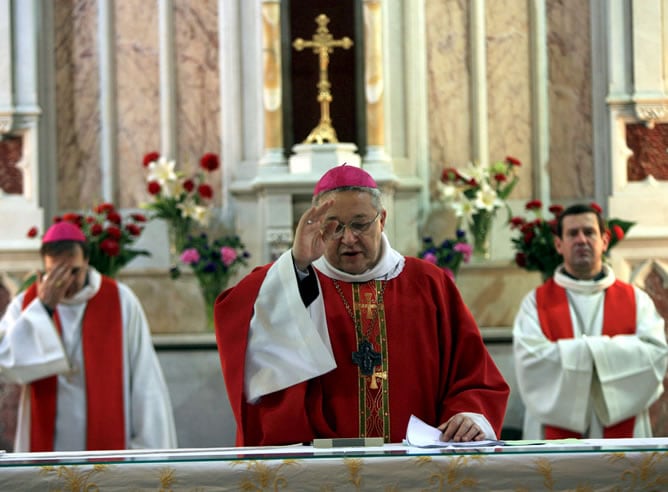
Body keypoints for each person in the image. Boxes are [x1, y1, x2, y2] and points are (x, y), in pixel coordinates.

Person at [215, 163, 510, 446]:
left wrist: (469, 415)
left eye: (360, 224)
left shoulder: (428, 283)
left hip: (416, 468)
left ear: (381, 219)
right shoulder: (294, 282)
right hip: (323, 472)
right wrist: (297, 263)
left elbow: (473, 373)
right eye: (334, 227)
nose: (348, 238)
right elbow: (236, 320)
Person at [0, 221, 177, 452]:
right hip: (47, 443)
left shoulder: (121, 301)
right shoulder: (27, 304)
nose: (67, 282)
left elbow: (144, 378)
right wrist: (43, 308)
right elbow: (5, 360)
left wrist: (148, 447)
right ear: (43, 267)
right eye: (56, 273)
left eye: (74, 271)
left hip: (109, 444)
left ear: (87, 261)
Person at [513, 203, 668, 439]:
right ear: (558, 244)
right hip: (555, 434)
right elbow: (530, 362)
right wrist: (604, 355)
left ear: (604, 241)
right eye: (572, 234)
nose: (581, 240)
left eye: (589, 232)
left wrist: (585, 352)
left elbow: (655, 354)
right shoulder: (535, 303)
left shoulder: (636, 300)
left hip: (623, 431)